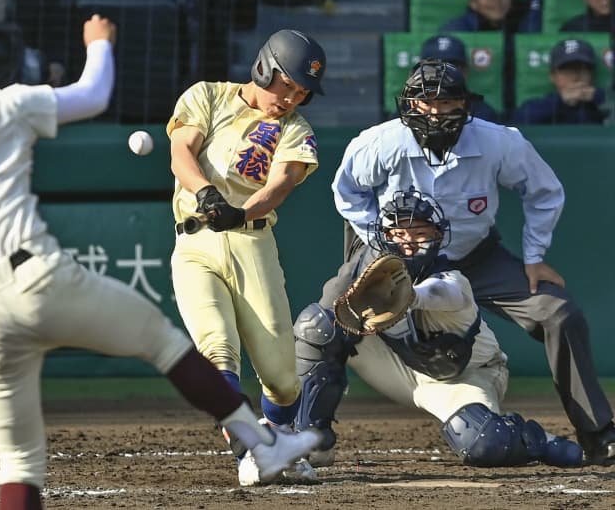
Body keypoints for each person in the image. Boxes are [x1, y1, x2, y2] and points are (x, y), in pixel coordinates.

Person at [0, 12, 321, 509]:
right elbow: (93, 93)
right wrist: (99, 41)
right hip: (36, 276)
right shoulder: (2, 104)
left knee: (18, 462)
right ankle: (261, 446)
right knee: (163, 341)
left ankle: (264, 443)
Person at [302, 58, 615, 467]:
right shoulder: (379, 142)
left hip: (475, 255)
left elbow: (544, 191)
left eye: (447, 102)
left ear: (466, 105)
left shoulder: (499, 142)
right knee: (325, 318)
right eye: (425, 102)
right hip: (396, 256)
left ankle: (599, 436)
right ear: (407, 104)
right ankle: (310, 436)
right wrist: (375, 244)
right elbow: (347, 193)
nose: (435, 113)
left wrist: (535, 257)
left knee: (559, 314)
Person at [294, 188, 584, 473]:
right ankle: (309, 440)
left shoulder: (452, 282)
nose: (407, 243)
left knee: (485, 442)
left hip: (464, 375)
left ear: (437, 236)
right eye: (397, 233)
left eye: (419, 233)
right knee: (318, 326)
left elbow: (439, 292)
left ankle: (537, 440)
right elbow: (331, 317)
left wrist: (407, 295)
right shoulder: (368, 273)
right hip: (397, 368)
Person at [166, 29, 327, 485]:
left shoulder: (296, 129)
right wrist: (206, 193)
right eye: (286, 83)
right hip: (194, 243)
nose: (291, 97)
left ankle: (279, 437)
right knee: (216, 348)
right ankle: (252, 450)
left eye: (301, 91)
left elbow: (280, 185)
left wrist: (239, 210)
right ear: (263, 67)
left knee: (281, 376)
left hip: (251, 241)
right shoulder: (209, 96)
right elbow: (181, 152)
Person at [512, 38, 609, 124]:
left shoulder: (603, 101)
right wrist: (560, 101)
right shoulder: (539, 106)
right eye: (567, 70)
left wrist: (599, 97)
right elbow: (516, 125)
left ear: (592, 74)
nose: (575, 76)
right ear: (553, 76)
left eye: (582, 69)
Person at [419, 34, 503, 124]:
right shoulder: (408, 106)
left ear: (465, 71)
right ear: (420, 71)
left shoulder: (483, 113)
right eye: (435, 66)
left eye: (452, 67)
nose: (444, 72)